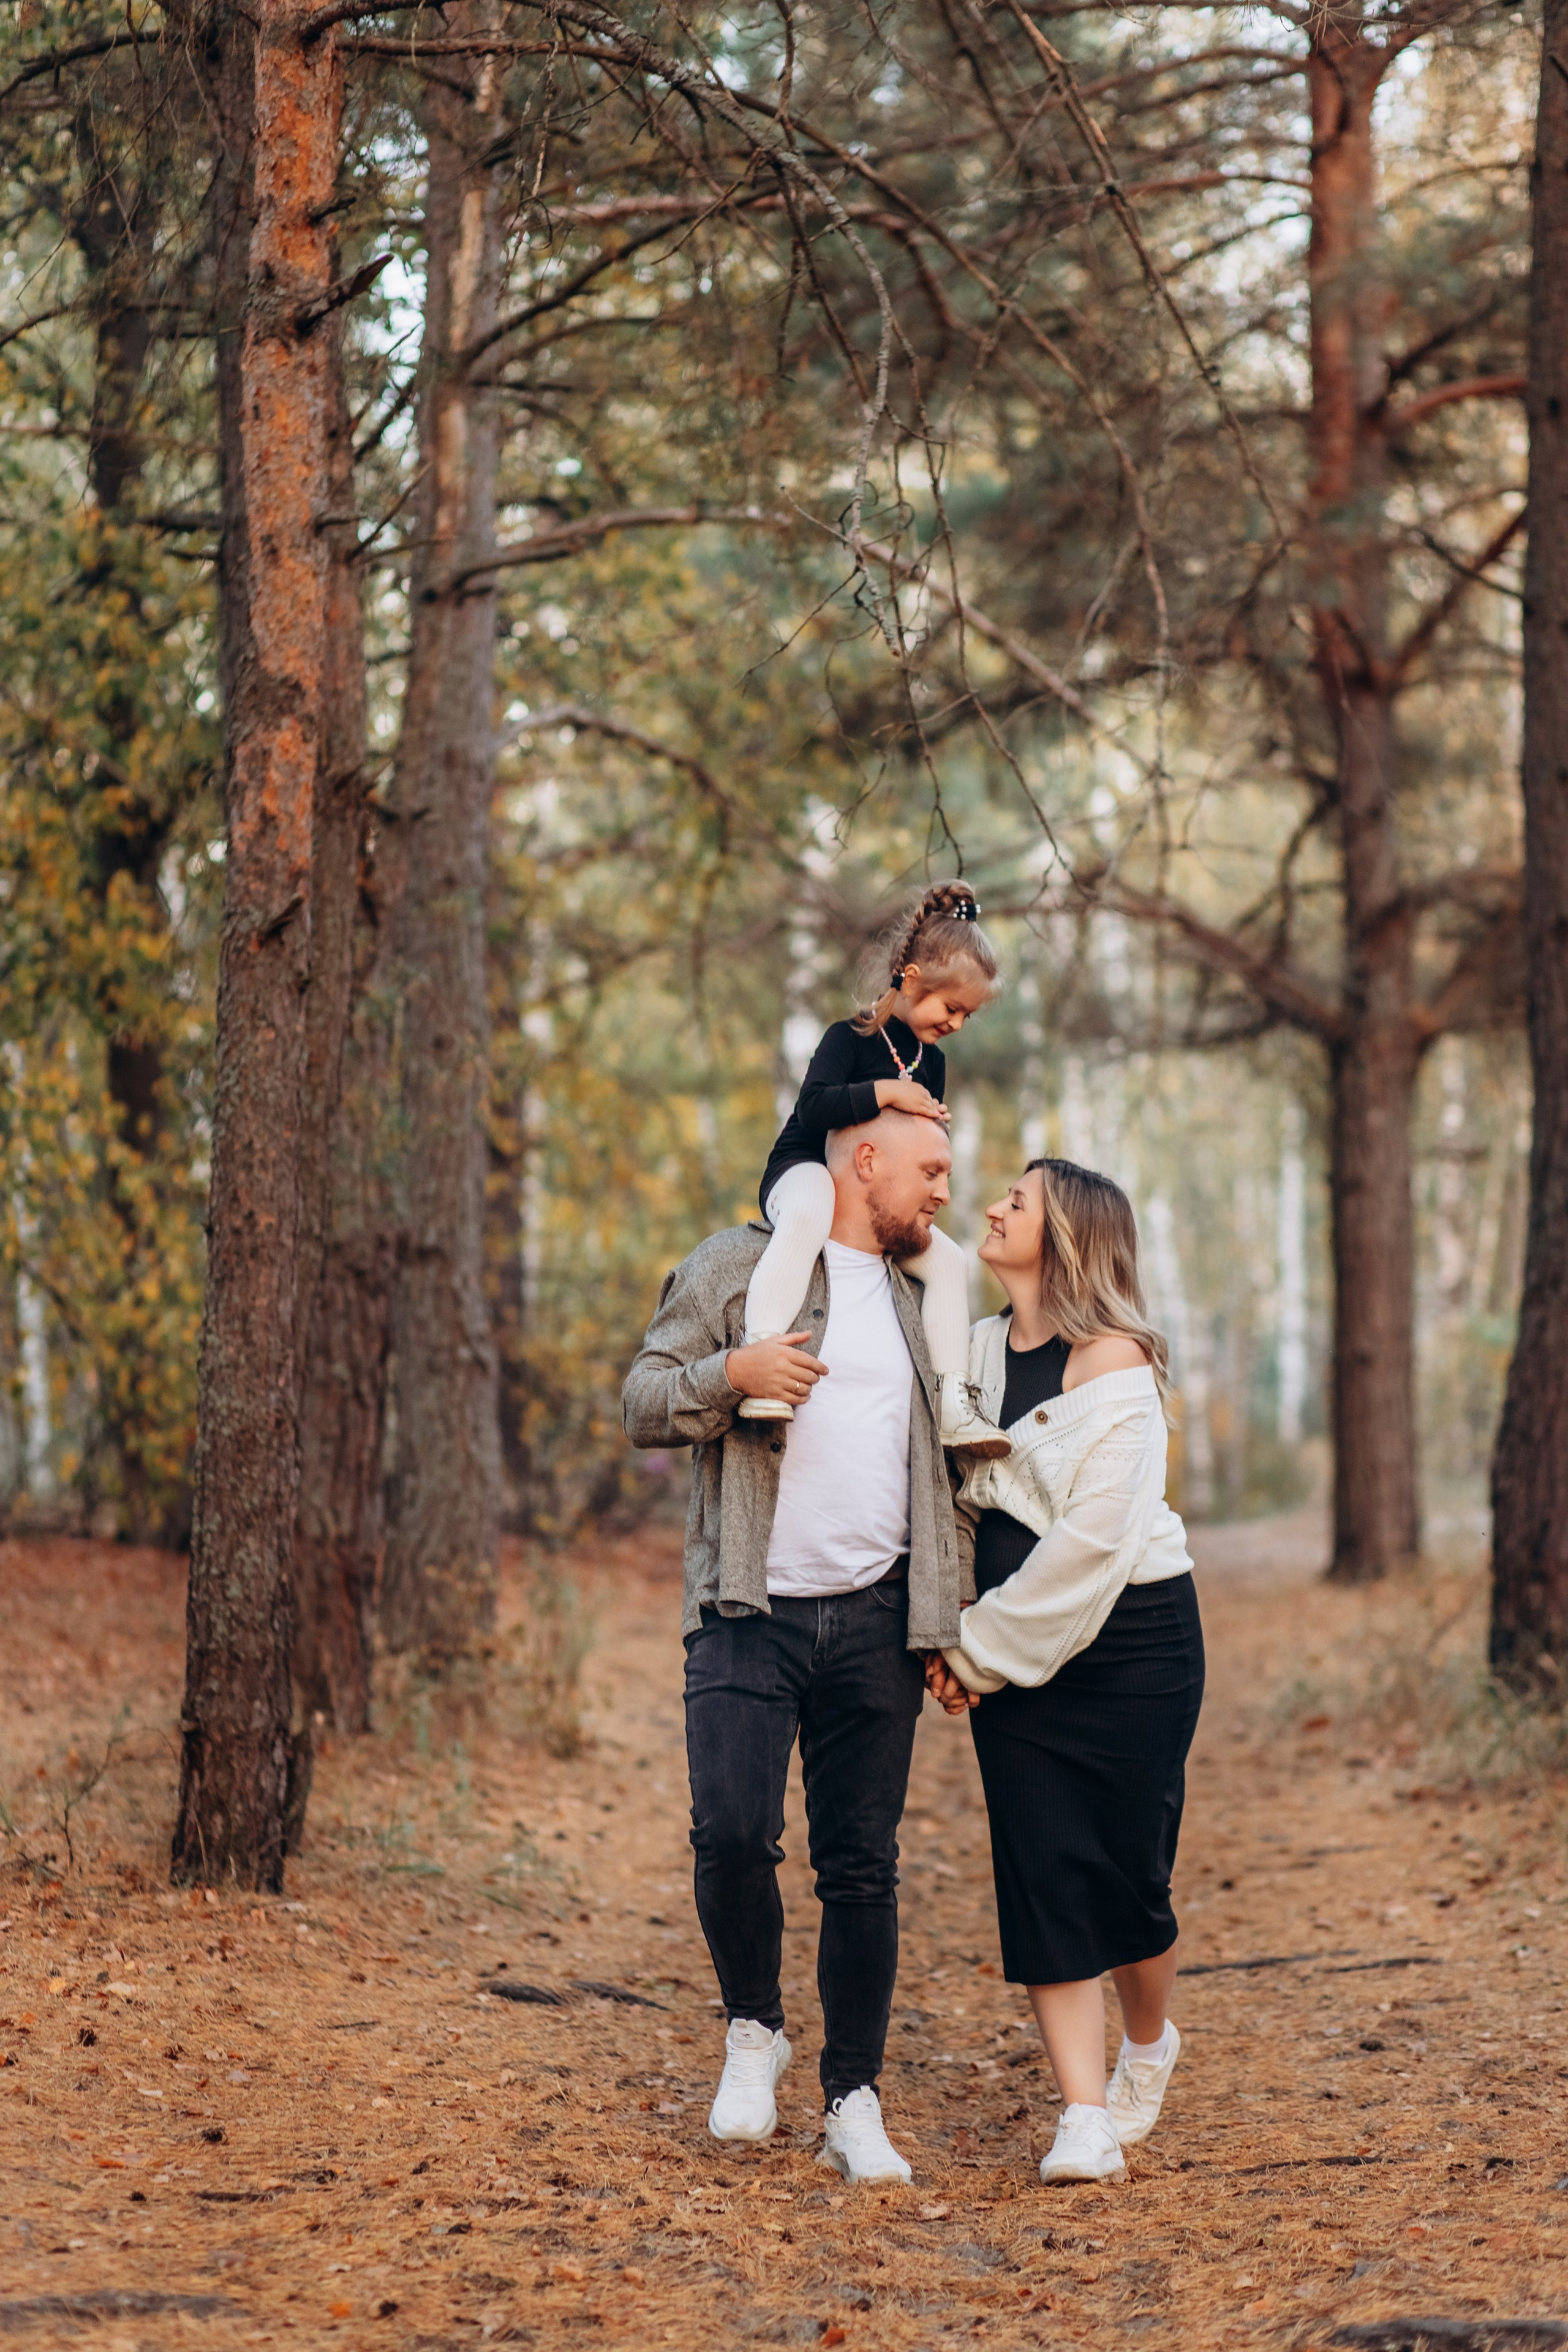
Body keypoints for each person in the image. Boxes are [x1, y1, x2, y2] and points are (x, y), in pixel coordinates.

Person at [622, 1109, 967, 2185]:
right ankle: (753, 2027)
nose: (946, 1192)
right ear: (865, 1161)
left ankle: (854, 2101)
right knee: (730, 1838)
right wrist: (735, 1368)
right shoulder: (743, 1265)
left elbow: (953, 1470)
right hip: (746, 1607)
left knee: (862, 1870)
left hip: (874, 1617)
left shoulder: (928, 1300)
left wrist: (941, 1618)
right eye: (931, 1170)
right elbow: (641, 1401)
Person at [926, 1159, 1204, 2187]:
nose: (994, 1206)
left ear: (1069, 1233)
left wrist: (976, 1653)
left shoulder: (1118, 1360)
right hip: (1012, 1668)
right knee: (1042, 1868)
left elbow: (1093, 1546)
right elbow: (949, 1498)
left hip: (1135, 1650)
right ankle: (1083, 2116)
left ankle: (1148, 2041)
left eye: (1019, 1199)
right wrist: (950, 1637)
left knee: (1131, 1876)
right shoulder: (977, 1353)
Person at [742, 881, 1009, 1458]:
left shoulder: (930, 1061)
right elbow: (815, 1108)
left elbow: (911, 1145)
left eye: (968, 1015)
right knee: (811, 1210)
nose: (958, 1024)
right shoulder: (851, 1035)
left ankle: (953, 1403)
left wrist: (931, 1124)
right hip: (805, 1168)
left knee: (948, 1260)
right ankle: (762, 1345)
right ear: (912, 979)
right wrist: (890, 1092)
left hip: (873, 1199)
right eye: (952, 1008)